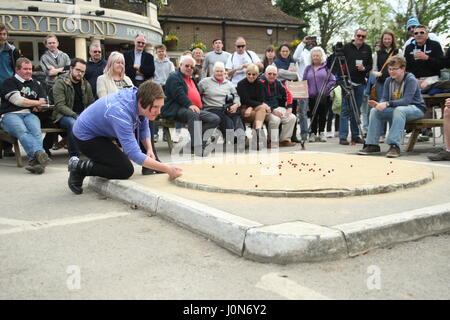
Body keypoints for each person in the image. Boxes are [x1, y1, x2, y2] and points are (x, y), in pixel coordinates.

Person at [69, 80, 182, 195]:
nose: (159, 112)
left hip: (102, 132)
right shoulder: (121, 114)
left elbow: (143, 125)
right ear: (141, 102)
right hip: (85, 136)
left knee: (120, 159)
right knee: (124, 169)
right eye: (155, 107)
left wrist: (149, 149)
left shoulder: (139, 96)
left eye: (160, 107)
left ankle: (100, 160)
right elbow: (134, 154)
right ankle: (78, 167)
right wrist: (168, 169)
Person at [358, 55, 426, 158]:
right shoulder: (388, 81)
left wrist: (387, 104)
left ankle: (394, 145)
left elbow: (406, 101)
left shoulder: (410, 79)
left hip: (416, 109)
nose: (391, 71)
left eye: (395, 69)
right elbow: (385, 98)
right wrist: (379, 104)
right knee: (375, 111)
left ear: (403, 68)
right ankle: (372, 144)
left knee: (399, 110)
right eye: (390, 69)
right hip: (398, 109)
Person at [160, 55, 220, 156]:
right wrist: (190, 104)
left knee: (214, 118)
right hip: (175, 109)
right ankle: (197, 147)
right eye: (187, 66)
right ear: (180, 65)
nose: (189, 68)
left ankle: (194, 145)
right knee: (193, 114)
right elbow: (178, 94)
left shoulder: (191, 79)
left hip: (191, 109)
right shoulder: (174, 77)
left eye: (192, 67)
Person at [0, 57, 50, 173]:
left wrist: (38, 105)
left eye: (30, 69)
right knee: (22, 131)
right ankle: (39, 154)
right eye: (25, 69)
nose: (29, 71)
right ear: (17, 70)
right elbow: (18, 101)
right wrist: (36, 102)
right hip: (10, 114)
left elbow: (43, 102)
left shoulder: (36, 83)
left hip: (29, 114)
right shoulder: (9, 82)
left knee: (36, 131)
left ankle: (36, 162)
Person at [52, 58, 95, 159]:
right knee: (74, 123)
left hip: (81, 114)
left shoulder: (86, 84)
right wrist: (76, 116)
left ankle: (95, 152)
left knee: (99, 122)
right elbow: (60, 105)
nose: (80, 73)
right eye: (78, 70)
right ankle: (74, 156)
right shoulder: (60, 82)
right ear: (71, 68)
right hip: (63, 115)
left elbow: (91, 103)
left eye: (83, 71)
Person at [198, 61, 244, 149]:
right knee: (227, 121)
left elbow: (236, 96)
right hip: (211, 108)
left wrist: (236, 104)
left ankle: (240, 136)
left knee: (236, 115)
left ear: (224, 72)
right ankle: (232, 137)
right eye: (217, 71)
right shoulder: (204, 82)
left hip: (226, 108)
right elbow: (197, 94)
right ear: (213, 72)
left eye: (221, 71)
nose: (219, 73)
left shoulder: (229, 84)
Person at [339, 28, 373, 145]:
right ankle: (343, 136)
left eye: (363, 36)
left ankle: (355, 135)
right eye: (358, 35)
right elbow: (338, 62)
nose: (360, 38)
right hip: (348, 82)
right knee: (345, 109)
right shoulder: (346, 47)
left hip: (360, 83)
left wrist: (364, 68)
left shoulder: (367, 48)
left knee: (356, 110)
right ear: (354, 35)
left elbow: (370, 65)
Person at [303, 47, 336, 143]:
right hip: (311, 96)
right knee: (313, 115)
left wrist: (325, 89)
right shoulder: (308, 68)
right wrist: (307, 91)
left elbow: (333, 80)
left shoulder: (326, 67)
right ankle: (312, 133)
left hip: (324, 96)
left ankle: (322, 133)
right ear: (311, 57)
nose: (316, 57)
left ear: (321, 56)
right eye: (314, 55)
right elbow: (304, 81)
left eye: (318, 55)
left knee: (322, 115)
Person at [260, 65, 297, 148]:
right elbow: (259, 100)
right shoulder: (260, 83)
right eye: (269, 74)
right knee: (275, 120)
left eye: (274, 74)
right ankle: (272, 142)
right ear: (265, 74)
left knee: (292, 117)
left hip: (276, 107)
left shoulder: (277, 82)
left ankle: (284, 140)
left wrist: (289, 107)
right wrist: (272, 110)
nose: (272, 76)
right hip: (264, 109)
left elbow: (288, 93)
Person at [236, 63, 270, 150]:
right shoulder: (241, 84)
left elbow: (261, 100)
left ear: (257, 74)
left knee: (260, 109)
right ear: (246, 74)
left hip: (255, 108)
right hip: (244, 109)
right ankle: (257, 134)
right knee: (260, 110)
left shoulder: (260, 84)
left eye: (254, 74)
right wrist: (250, 107)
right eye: (249, 74)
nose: (251, 76)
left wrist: (251, 107)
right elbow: (244, 100)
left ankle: (257, 131)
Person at [0, 23, 20, 157]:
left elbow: (17, 70)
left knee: (9, 116)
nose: (2, 37)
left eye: (4, 34)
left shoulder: (13, 50)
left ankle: (7, 148)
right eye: (0, 34)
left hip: (8, 88)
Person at [274, 43, 301, 143]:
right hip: (280, 93)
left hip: (292, 91)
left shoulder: (293, 62)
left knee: (293, 114)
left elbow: (297, 76)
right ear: (280, 52)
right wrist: (289, 73)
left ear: (289, 52)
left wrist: (283, 72)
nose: (285, 53)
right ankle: (279, 137)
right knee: (281, 115)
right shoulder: (275, 62)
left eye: (286, 51)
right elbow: (277, 74)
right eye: (283, 51)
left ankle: (293, 136)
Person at [404, 25, 443, 90]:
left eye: (422, 32)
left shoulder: (435, 45)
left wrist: (427, 58)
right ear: (414, 35)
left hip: (432, 77)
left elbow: (441, 64)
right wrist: (413, 79)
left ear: (427, 35)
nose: (419, 35)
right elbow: (406, 67)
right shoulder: (409, 48)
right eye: (416, 33)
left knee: (423, 86)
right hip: (415, 78)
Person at [293, 36, 317, 142]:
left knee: (315, 110)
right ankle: (304, 134)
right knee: (302, 111)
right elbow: (295, 57)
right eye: (309, 41)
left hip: (316, 85)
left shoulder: (318, 54)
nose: (311, 43)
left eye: (313, 41)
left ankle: (313, 132)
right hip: (303, 84)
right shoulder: (303, 53)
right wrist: (302, 43)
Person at [153, 44, 175, 142]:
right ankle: (155, 133)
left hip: (166, 88)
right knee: (156, 110)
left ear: (165, 52)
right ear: (156, 52)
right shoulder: (153, 62)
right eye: (159, 51)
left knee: (165, 110)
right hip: (156, 87)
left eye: (162, 51)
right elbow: (151, 75)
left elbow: (172, 76)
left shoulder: (170, 64)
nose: (161, 53)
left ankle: (166, 135)